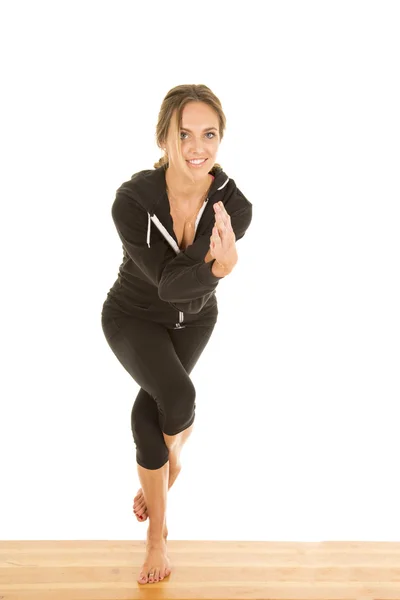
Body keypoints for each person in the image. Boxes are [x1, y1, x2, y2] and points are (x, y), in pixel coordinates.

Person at [101, 84, 252, 585]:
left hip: (196, 320)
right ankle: (157, 536)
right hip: (133, 317)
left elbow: (189, 295)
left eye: (209, 134)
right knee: (178, 393)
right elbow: (169, 285)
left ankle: (169, 461)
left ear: (220, 139)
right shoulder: (133, 201)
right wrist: (217, 269)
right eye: (183, 133)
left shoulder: (234, 207)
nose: (196, 147)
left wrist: (209, 271)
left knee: (151, 414)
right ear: (164, 136)